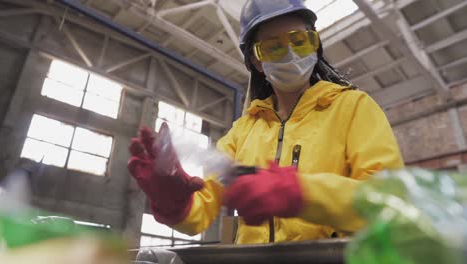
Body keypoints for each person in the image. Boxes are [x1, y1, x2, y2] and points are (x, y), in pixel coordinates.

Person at [128, 0, 404, 244]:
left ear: (315, 44)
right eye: (273, 47)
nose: (290, 53)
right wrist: (177, 204)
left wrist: (302, 193)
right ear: (257, 61)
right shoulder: (243, 131)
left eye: (300, 41)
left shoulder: (354, 107)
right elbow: (203, 210)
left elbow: (388, 202)